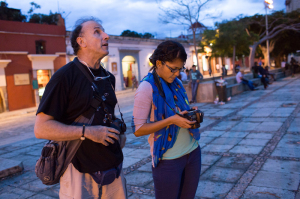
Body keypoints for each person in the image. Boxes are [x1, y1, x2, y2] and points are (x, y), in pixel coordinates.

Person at [34, 17, 127, 199]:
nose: (106, 36)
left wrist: (118, 131)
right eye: (97, 32)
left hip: (113, 168)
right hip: (79, 173)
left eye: (104, 31)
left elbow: (106, 115)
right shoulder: (64, 77)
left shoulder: (109, 77)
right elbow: (41, 128)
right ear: (81, 41)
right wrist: (88, 132)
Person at [132, 40, 201, 199]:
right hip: (168, 160)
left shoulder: (175, 82)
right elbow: (138, 129)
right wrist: (171, 120)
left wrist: (188, 113)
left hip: (193, 152)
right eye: (173, 69)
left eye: (180, 69)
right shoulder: (146, 87)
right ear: (159, 63)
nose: (177, 74)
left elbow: (177, 110)